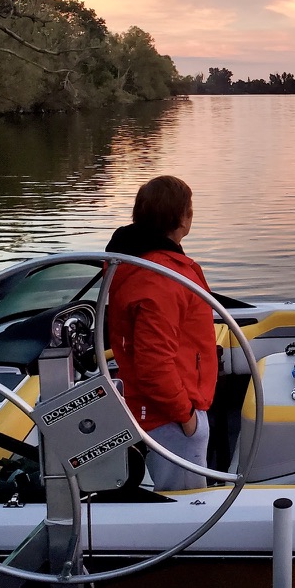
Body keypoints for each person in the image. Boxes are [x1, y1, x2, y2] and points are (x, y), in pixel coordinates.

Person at [105, 175, 217, 491]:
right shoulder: (160, 280)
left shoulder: (140, 264)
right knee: (187, 502)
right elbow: (154, 365)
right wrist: (187, 418)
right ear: (183, 218)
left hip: (166, 406)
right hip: (170, 415)